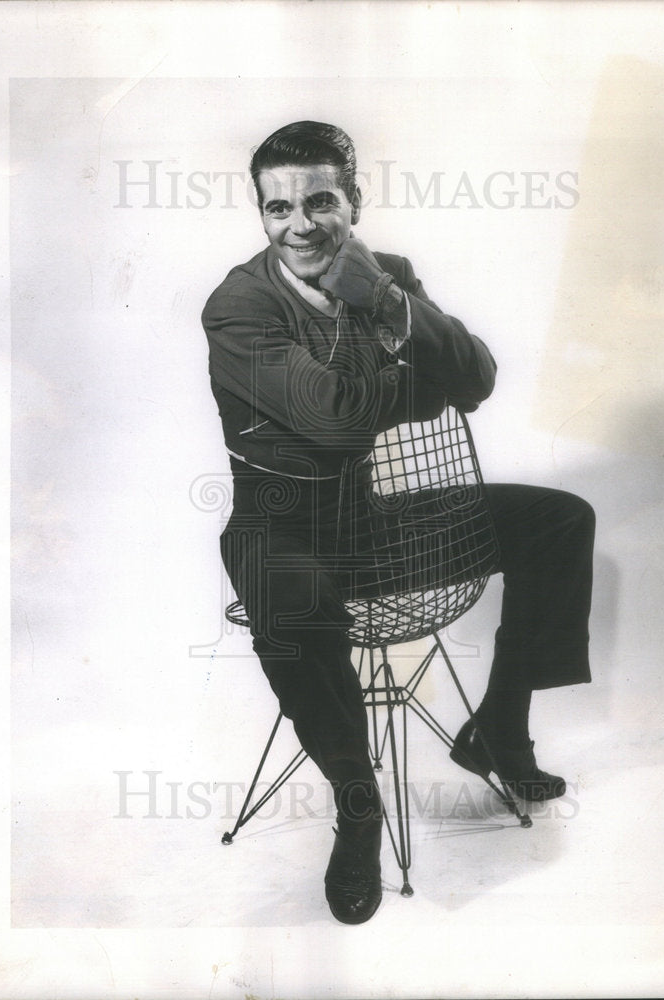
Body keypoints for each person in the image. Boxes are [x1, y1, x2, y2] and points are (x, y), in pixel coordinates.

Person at [202, 121, 595, 925]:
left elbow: (478, 377)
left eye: (320, 201)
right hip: (275, 530)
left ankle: (500, 735)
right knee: (296, 604)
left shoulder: (390, 278)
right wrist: (422, 384)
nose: (301, 225)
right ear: (261, 215)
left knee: (559, 520)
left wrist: (384, 300)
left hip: (370, 523)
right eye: (278, 209)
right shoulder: (238, 306)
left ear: (354, 200)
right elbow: (339, 422)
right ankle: (358, 806)